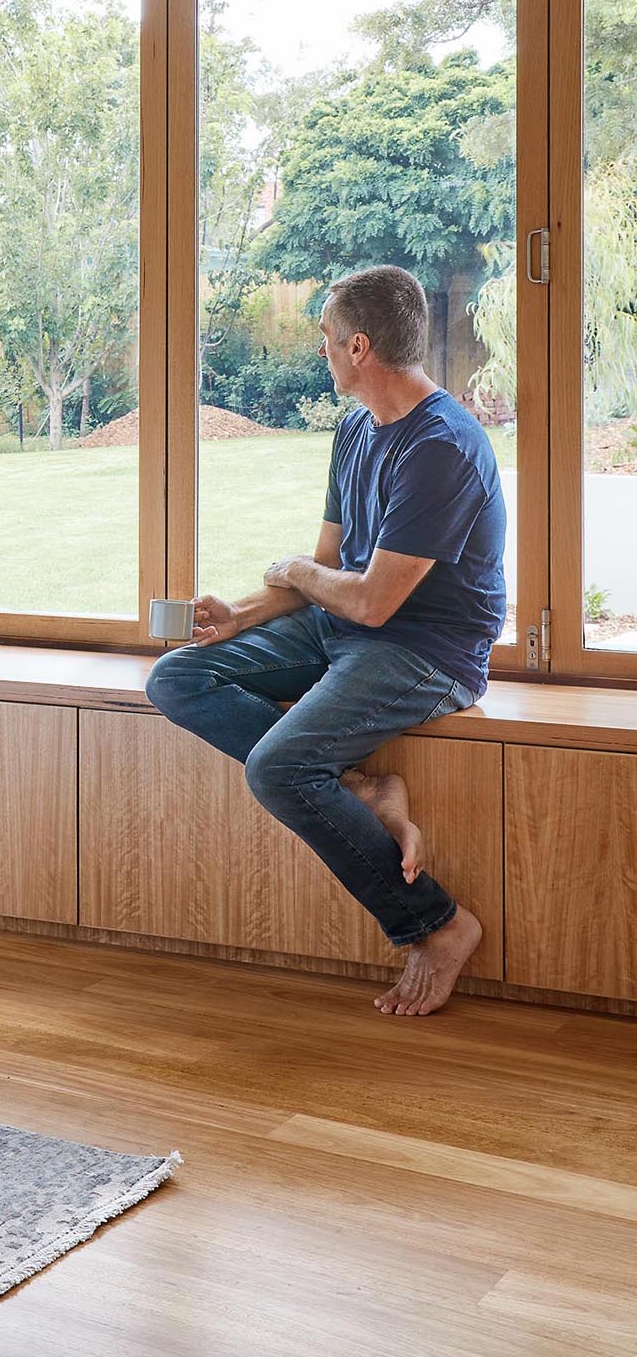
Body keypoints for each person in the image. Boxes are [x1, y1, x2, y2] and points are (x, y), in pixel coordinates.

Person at [146, 265, 506, 1017]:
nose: (322, 350)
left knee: (278, 768)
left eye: (327, 339)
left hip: (428, 652)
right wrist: (240, 615)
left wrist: (299, 574)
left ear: (360, 347)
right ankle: (363, 789)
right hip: (350, 624)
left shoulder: (442, 446)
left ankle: (437, 924)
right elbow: (333, 565)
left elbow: (373, 601)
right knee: (178, 677)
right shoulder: (355, 428)